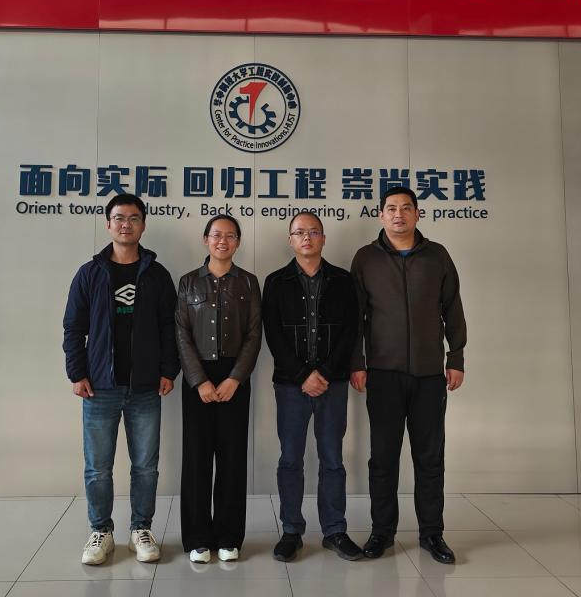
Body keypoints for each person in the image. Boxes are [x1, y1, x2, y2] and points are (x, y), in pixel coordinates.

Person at [350, 186, 467, 564]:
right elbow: (355, 316)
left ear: (417, 214)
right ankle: (382, 532)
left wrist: (456, 357)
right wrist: (357, 362)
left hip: (429, 375)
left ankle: (432, 534)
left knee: (430, 458)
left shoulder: (437, 255)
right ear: (381, 215)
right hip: (382, 374)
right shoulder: (366, 258)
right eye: (391, 208)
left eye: (405, 208)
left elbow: (452, 307)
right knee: (383, 458)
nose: (398, 214)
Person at [62, 193, 179, 566]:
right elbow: (73, 327)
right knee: (98, 467)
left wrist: (168, 370)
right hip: (99, 388)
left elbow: (170, 327)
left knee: (145, 466)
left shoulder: (157, 275)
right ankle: (101, 531)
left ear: (143, 224)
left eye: (133, 218)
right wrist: (77, 373)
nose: (126, 224)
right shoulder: (90, 273)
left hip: (145, 387)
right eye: (119, 217)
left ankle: (141, 529)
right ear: (108, 223)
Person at [262, 211, 364, 562]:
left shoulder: (343, 280)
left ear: (323, 238)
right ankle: (292, 531)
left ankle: (334, 530)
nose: (307, 237)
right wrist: (303, 375)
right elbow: (273, 334)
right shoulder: (276, 282)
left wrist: (325, 372)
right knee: (290, 458)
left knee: (332, 458)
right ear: (290, 239)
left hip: (333, 384)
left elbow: (351, 330)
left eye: (314, 232)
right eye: (299, 232)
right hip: (291, 385)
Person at [175, 214, 262, 564]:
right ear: (205, 240)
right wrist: (199, 380)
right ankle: (197, 538)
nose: (222, 241)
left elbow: (254, 334)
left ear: (238, 242)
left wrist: (235, 378)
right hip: (198, 379)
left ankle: (228, 537)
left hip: (234, 378)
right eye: (216, 235)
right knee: (196, 459)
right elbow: (181, 334)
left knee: (232, 458)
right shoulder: (188, 282)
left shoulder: (249, 282)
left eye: (230, 236)